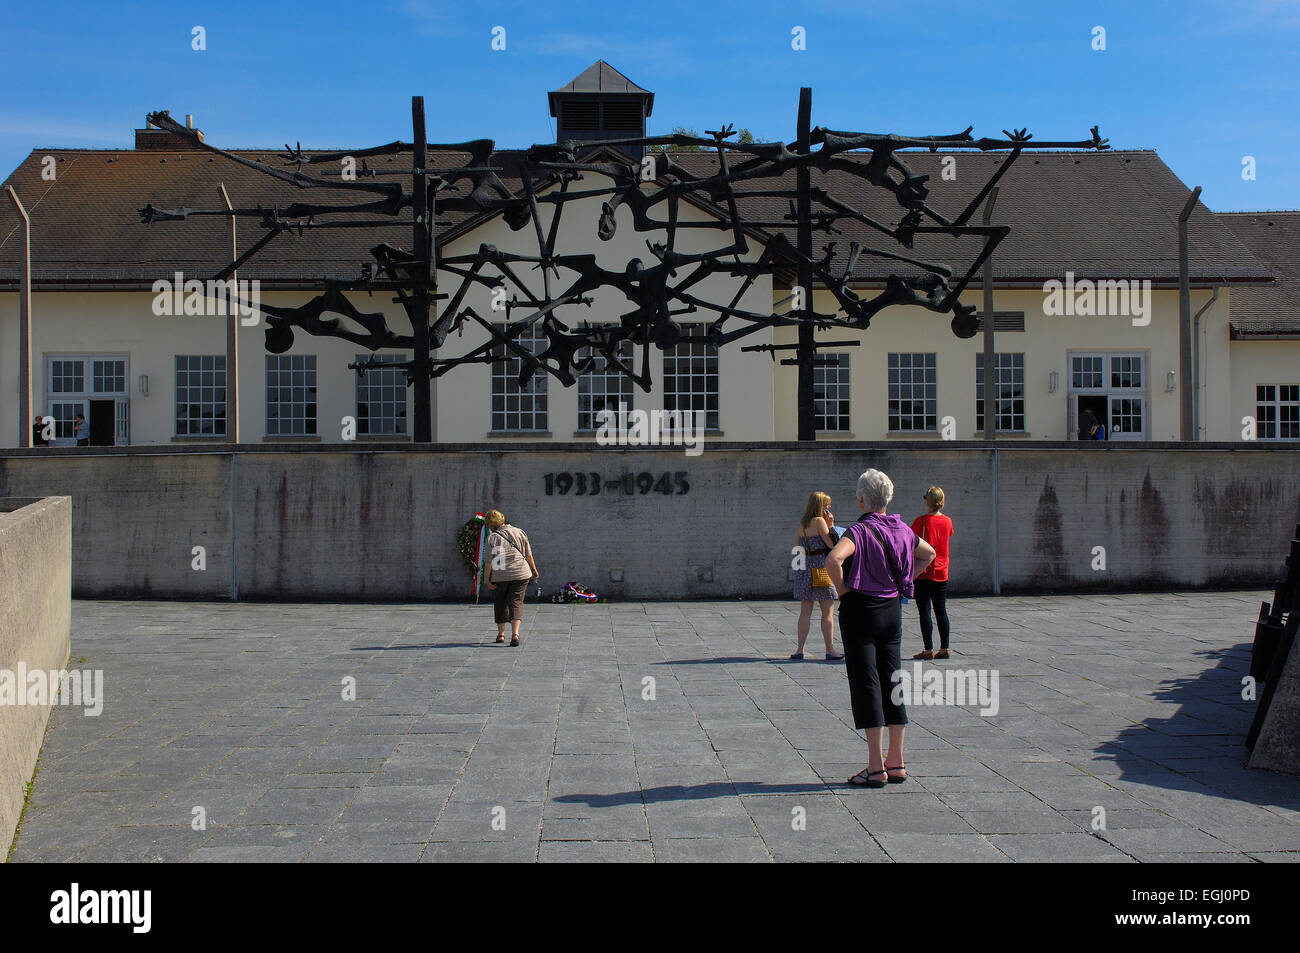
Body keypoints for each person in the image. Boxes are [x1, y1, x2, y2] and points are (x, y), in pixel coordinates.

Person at [826, 469, 935, 788]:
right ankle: (897, 762)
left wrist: (843, 589)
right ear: (888, 498)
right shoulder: (902, 528)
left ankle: (875, 767)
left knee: (867, 683)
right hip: (892, 610)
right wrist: (904, 581)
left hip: (861, 609)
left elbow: (833, 559)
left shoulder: (859, 531)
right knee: (893, 678)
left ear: (861, 498)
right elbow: (928, 554)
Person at [791, 491, 843, 660]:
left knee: (805, 611)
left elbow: (796, 548)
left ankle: (800, 649)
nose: (829, 507)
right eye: (827, 504)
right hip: (821, 568)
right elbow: (831, 543)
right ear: (820, 506)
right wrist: (832, 525)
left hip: (804, 568)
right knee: (827, 610)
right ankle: (829, 650)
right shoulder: (820, 521)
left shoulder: (802, 524)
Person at [483, 509, 538, 647]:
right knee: (516, 602)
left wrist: (487, 579)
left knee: (500, 602)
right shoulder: (519, 532)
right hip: (520, 572)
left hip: (500, 574)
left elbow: (489, 561)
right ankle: (515, 634)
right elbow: (528, 554)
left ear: (490, 525)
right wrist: (534, 570)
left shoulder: (492, 538)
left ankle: (501, 635)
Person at [911, 487, 955, 660]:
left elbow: (911, 540)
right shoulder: (948, 521)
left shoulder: (920, 521)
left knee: (924, 611)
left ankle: (928, 649)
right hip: (941, 571)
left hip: (924, 570)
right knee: (941, 610)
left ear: (927, 501)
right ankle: (944, 648)